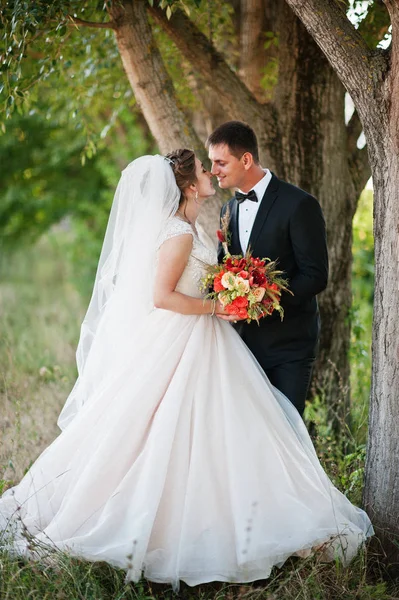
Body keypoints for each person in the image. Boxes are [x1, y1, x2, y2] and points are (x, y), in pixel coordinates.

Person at [0, 152, 372, 589]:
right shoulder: (177, 233)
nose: (211, 174)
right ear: (190, 186)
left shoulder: (190, 226)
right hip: (183, 337)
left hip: (205, 338)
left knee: (219, 430)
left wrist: (231, 293)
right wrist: (219, 305)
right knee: (163, 430)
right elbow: (161, 297)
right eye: (202, 170)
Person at [208, 121, 328, 416]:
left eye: (220, 162)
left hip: (289, 346)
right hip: (242, 347)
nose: (214, 171)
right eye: (211, 163)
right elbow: (223, 268)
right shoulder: (228, 209)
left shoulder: (299, 204)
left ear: (246, 159)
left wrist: (263, 300)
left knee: (288, 433)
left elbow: (315, 276)